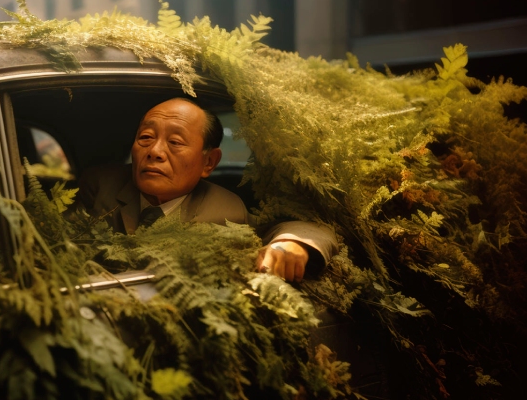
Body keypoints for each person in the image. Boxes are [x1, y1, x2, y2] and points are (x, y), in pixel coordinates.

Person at [76, 98, 337, 282]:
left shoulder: (227, 210)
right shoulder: (100, 186)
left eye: (175, 142)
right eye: (145, 138)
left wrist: (290, 245)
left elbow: (313, 229)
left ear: (209, 162)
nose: (154, 152)